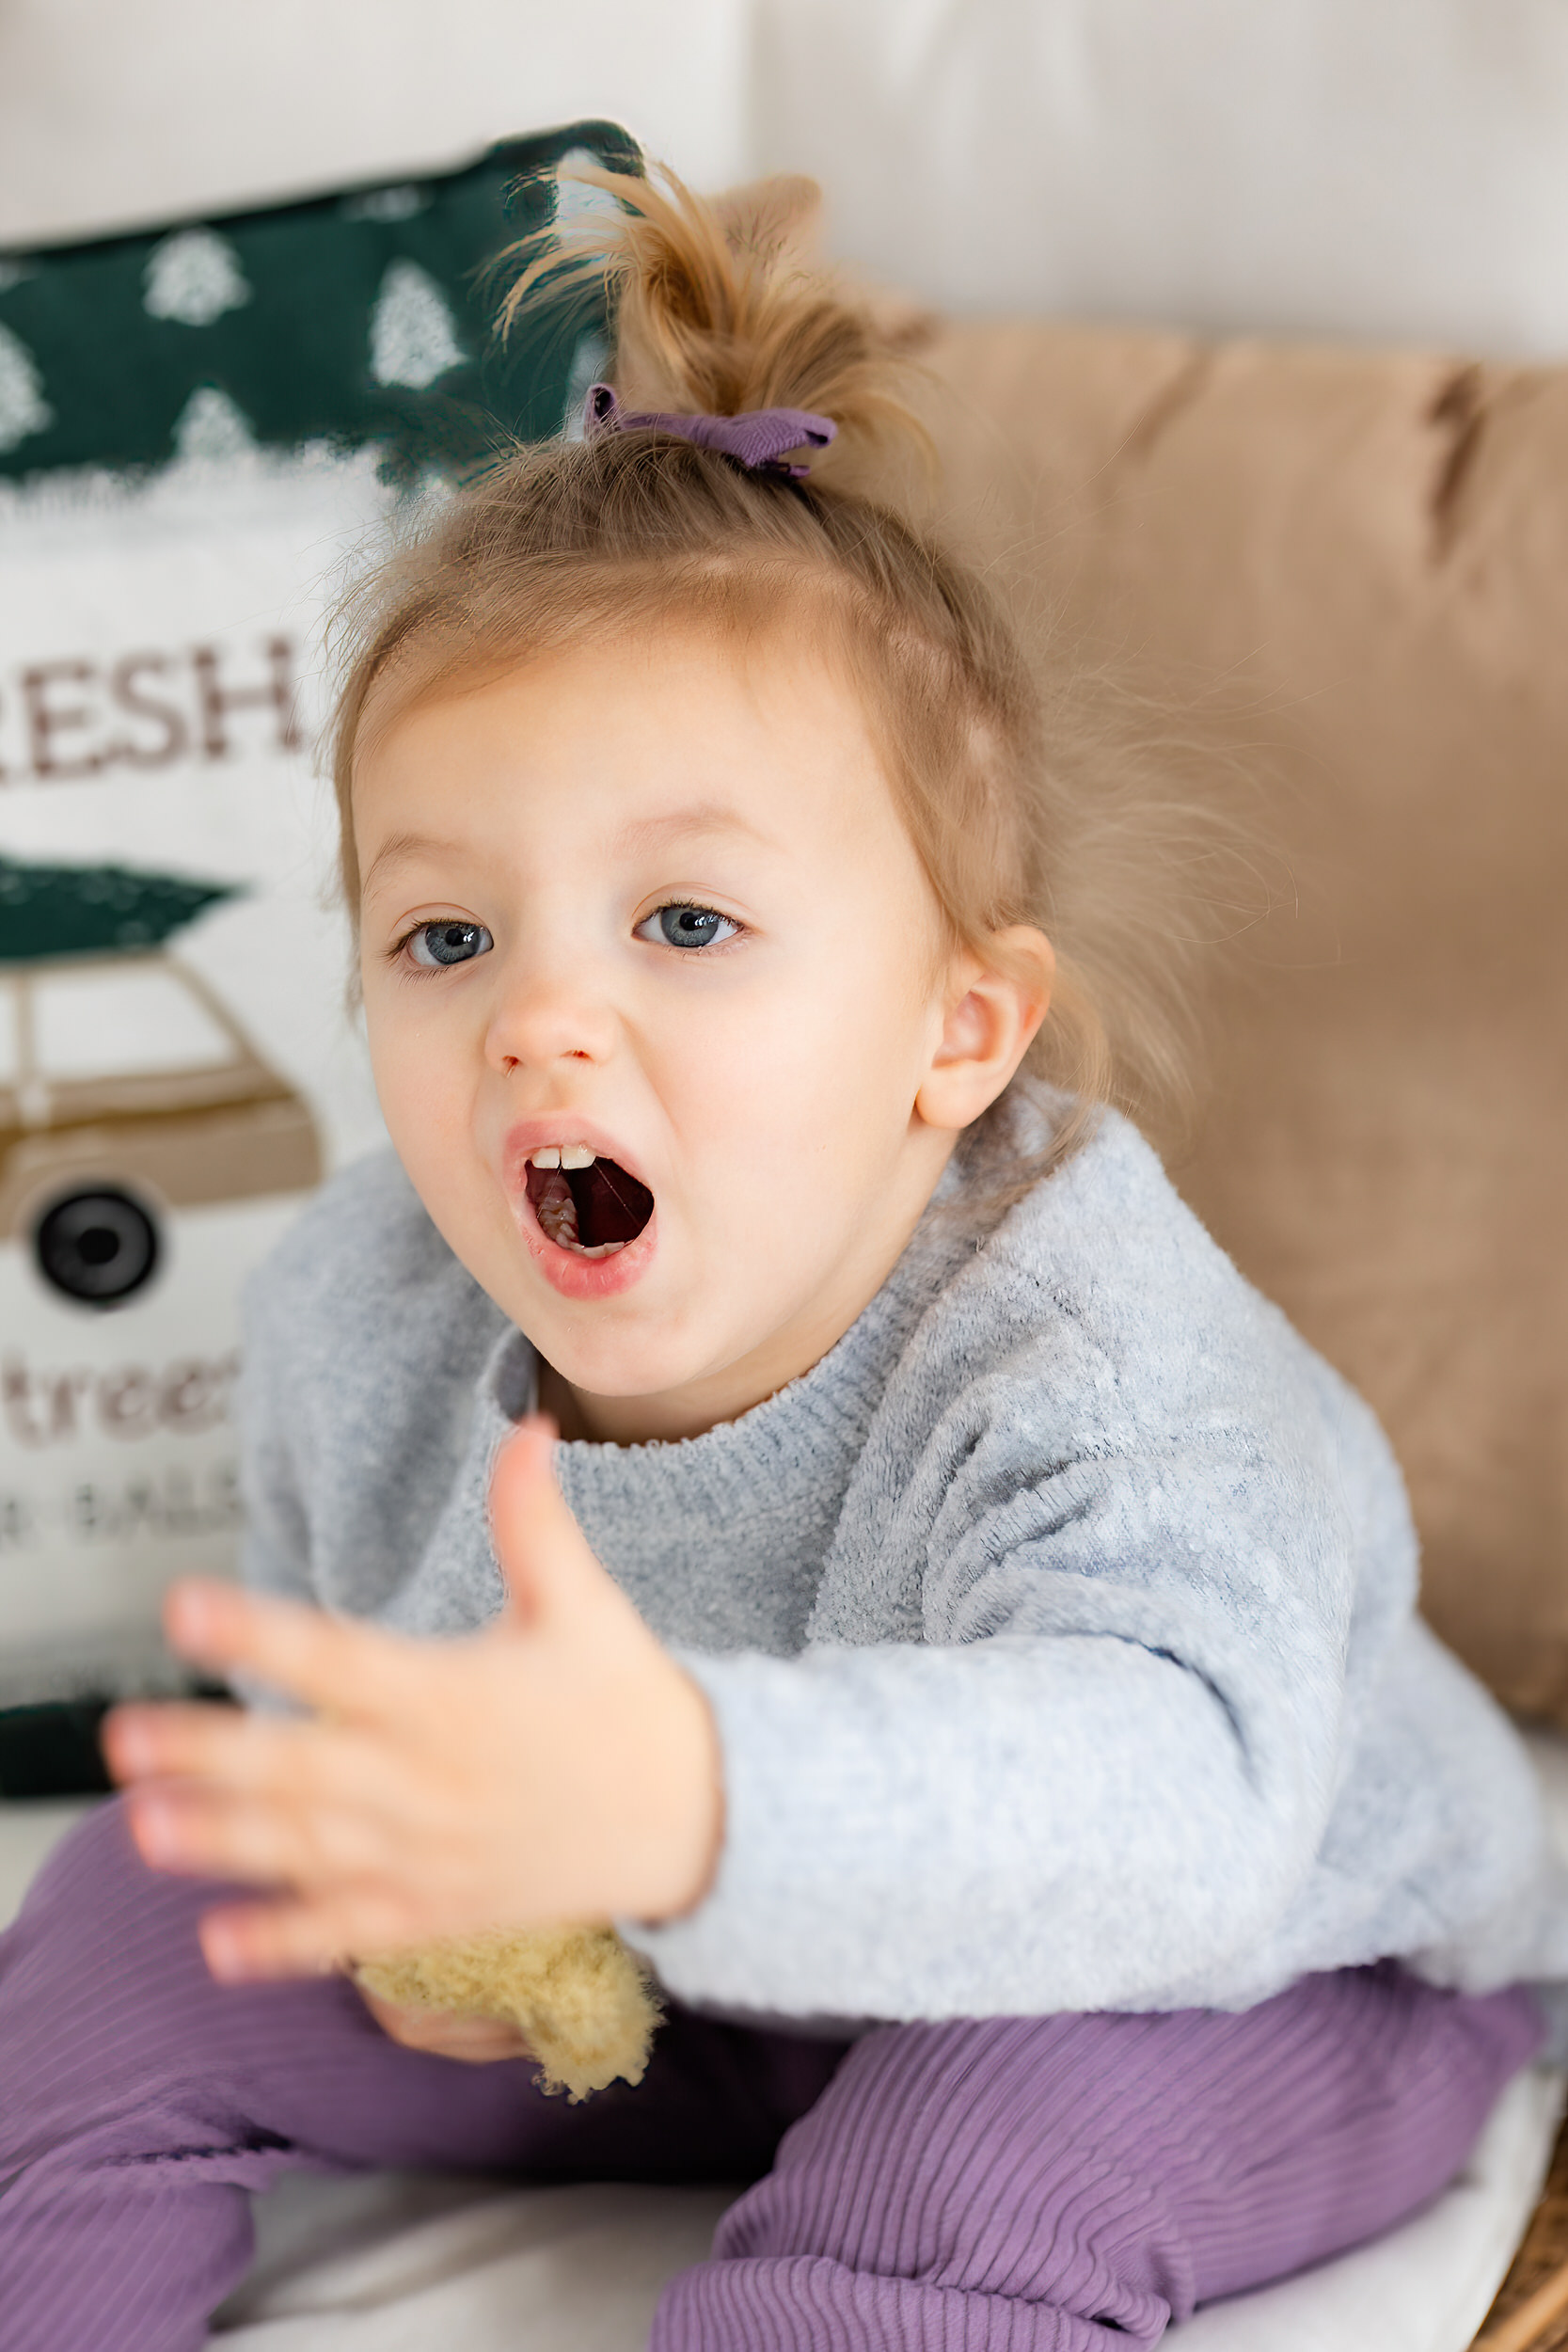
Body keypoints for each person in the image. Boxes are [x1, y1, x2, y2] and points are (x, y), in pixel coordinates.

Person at [0, 167, 1562, 2352]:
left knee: (954, 2180)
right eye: (446, 934)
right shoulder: (363, 1302)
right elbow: (333, 1666)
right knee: (123, 1921)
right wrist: (425, 1883)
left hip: (1233, 1961)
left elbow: (1179, 1803)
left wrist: (687, 1793)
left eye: (689, 923)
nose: (541, 1014)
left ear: (956, 1030)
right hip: (673, 1971)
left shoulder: (1089, 1350)